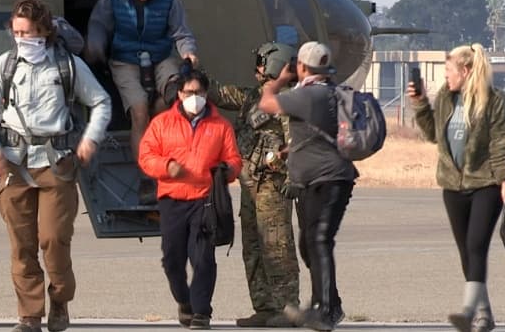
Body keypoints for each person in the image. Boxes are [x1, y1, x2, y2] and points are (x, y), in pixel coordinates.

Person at [0, 0, 112, 332]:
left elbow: (101, 101)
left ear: (45, 32)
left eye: (30, 32)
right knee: (22, 246)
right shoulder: (5, 66)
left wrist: (90, 139)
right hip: (13, 166)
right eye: (17, 32)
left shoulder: (66, 66)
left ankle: (60, 299)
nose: (23, 39)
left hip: (57, 164)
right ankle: (29, 315)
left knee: (53, 239)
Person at [406, 44, 505, 332]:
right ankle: (485, 315)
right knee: (466, 252)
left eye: (449, 72)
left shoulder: (493, 102)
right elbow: (433, 134)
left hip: (485, 183)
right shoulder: (445, 97)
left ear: (465, 71)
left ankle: (468, 313)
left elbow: (500, 144)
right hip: (452, 185)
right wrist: (420, 103)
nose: (446, 78)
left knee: (476, 246)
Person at [258, 41, 356, 332]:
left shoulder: (308, 95)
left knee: (319, 241)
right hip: (318, 181)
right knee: (310, 243)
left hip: (329, 180)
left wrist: (276, 81)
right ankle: (330, 303)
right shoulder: (330, 92)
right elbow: (315, 135)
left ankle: (324, 310)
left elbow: (266, 104)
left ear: (301, 66)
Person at [138, 68, 241, 331]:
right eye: (188, 92)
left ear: (206, 93)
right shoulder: (161, 123)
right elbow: (146, 155)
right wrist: (166, 166)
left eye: (198, 92)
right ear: (179, 94)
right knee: (172, 259)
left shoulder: (220, 126)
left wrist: (228, 171)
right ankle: (184, 302)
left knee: (203, 257)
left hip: (204, 200)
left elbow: (234, 159)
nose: (193, 97)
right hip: (172, 199)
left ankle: (201, 313)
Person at [210, 43, 300, 328]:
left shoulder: (286, 102)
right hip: (250, 186)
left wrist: (293, 178)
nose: (258, 67)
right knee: (253, 247)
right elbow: (218, 94)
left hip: (272, 187)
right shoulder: (251, 97)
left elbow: (296, 143)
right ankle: (264, 306)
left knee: (277, 246)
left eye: (262, 62)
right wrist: (193, 71)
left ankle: (287, 309)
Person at [85, 0, 198, 157]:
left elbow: (180, 31)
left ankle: (163, 143)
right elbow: (98, 23)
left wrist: (188, 52)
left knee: (173, 96)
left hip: (160, 55)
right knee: (139, 112)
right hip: (125, 58)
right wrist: (95, 46)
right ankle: (145, 172)